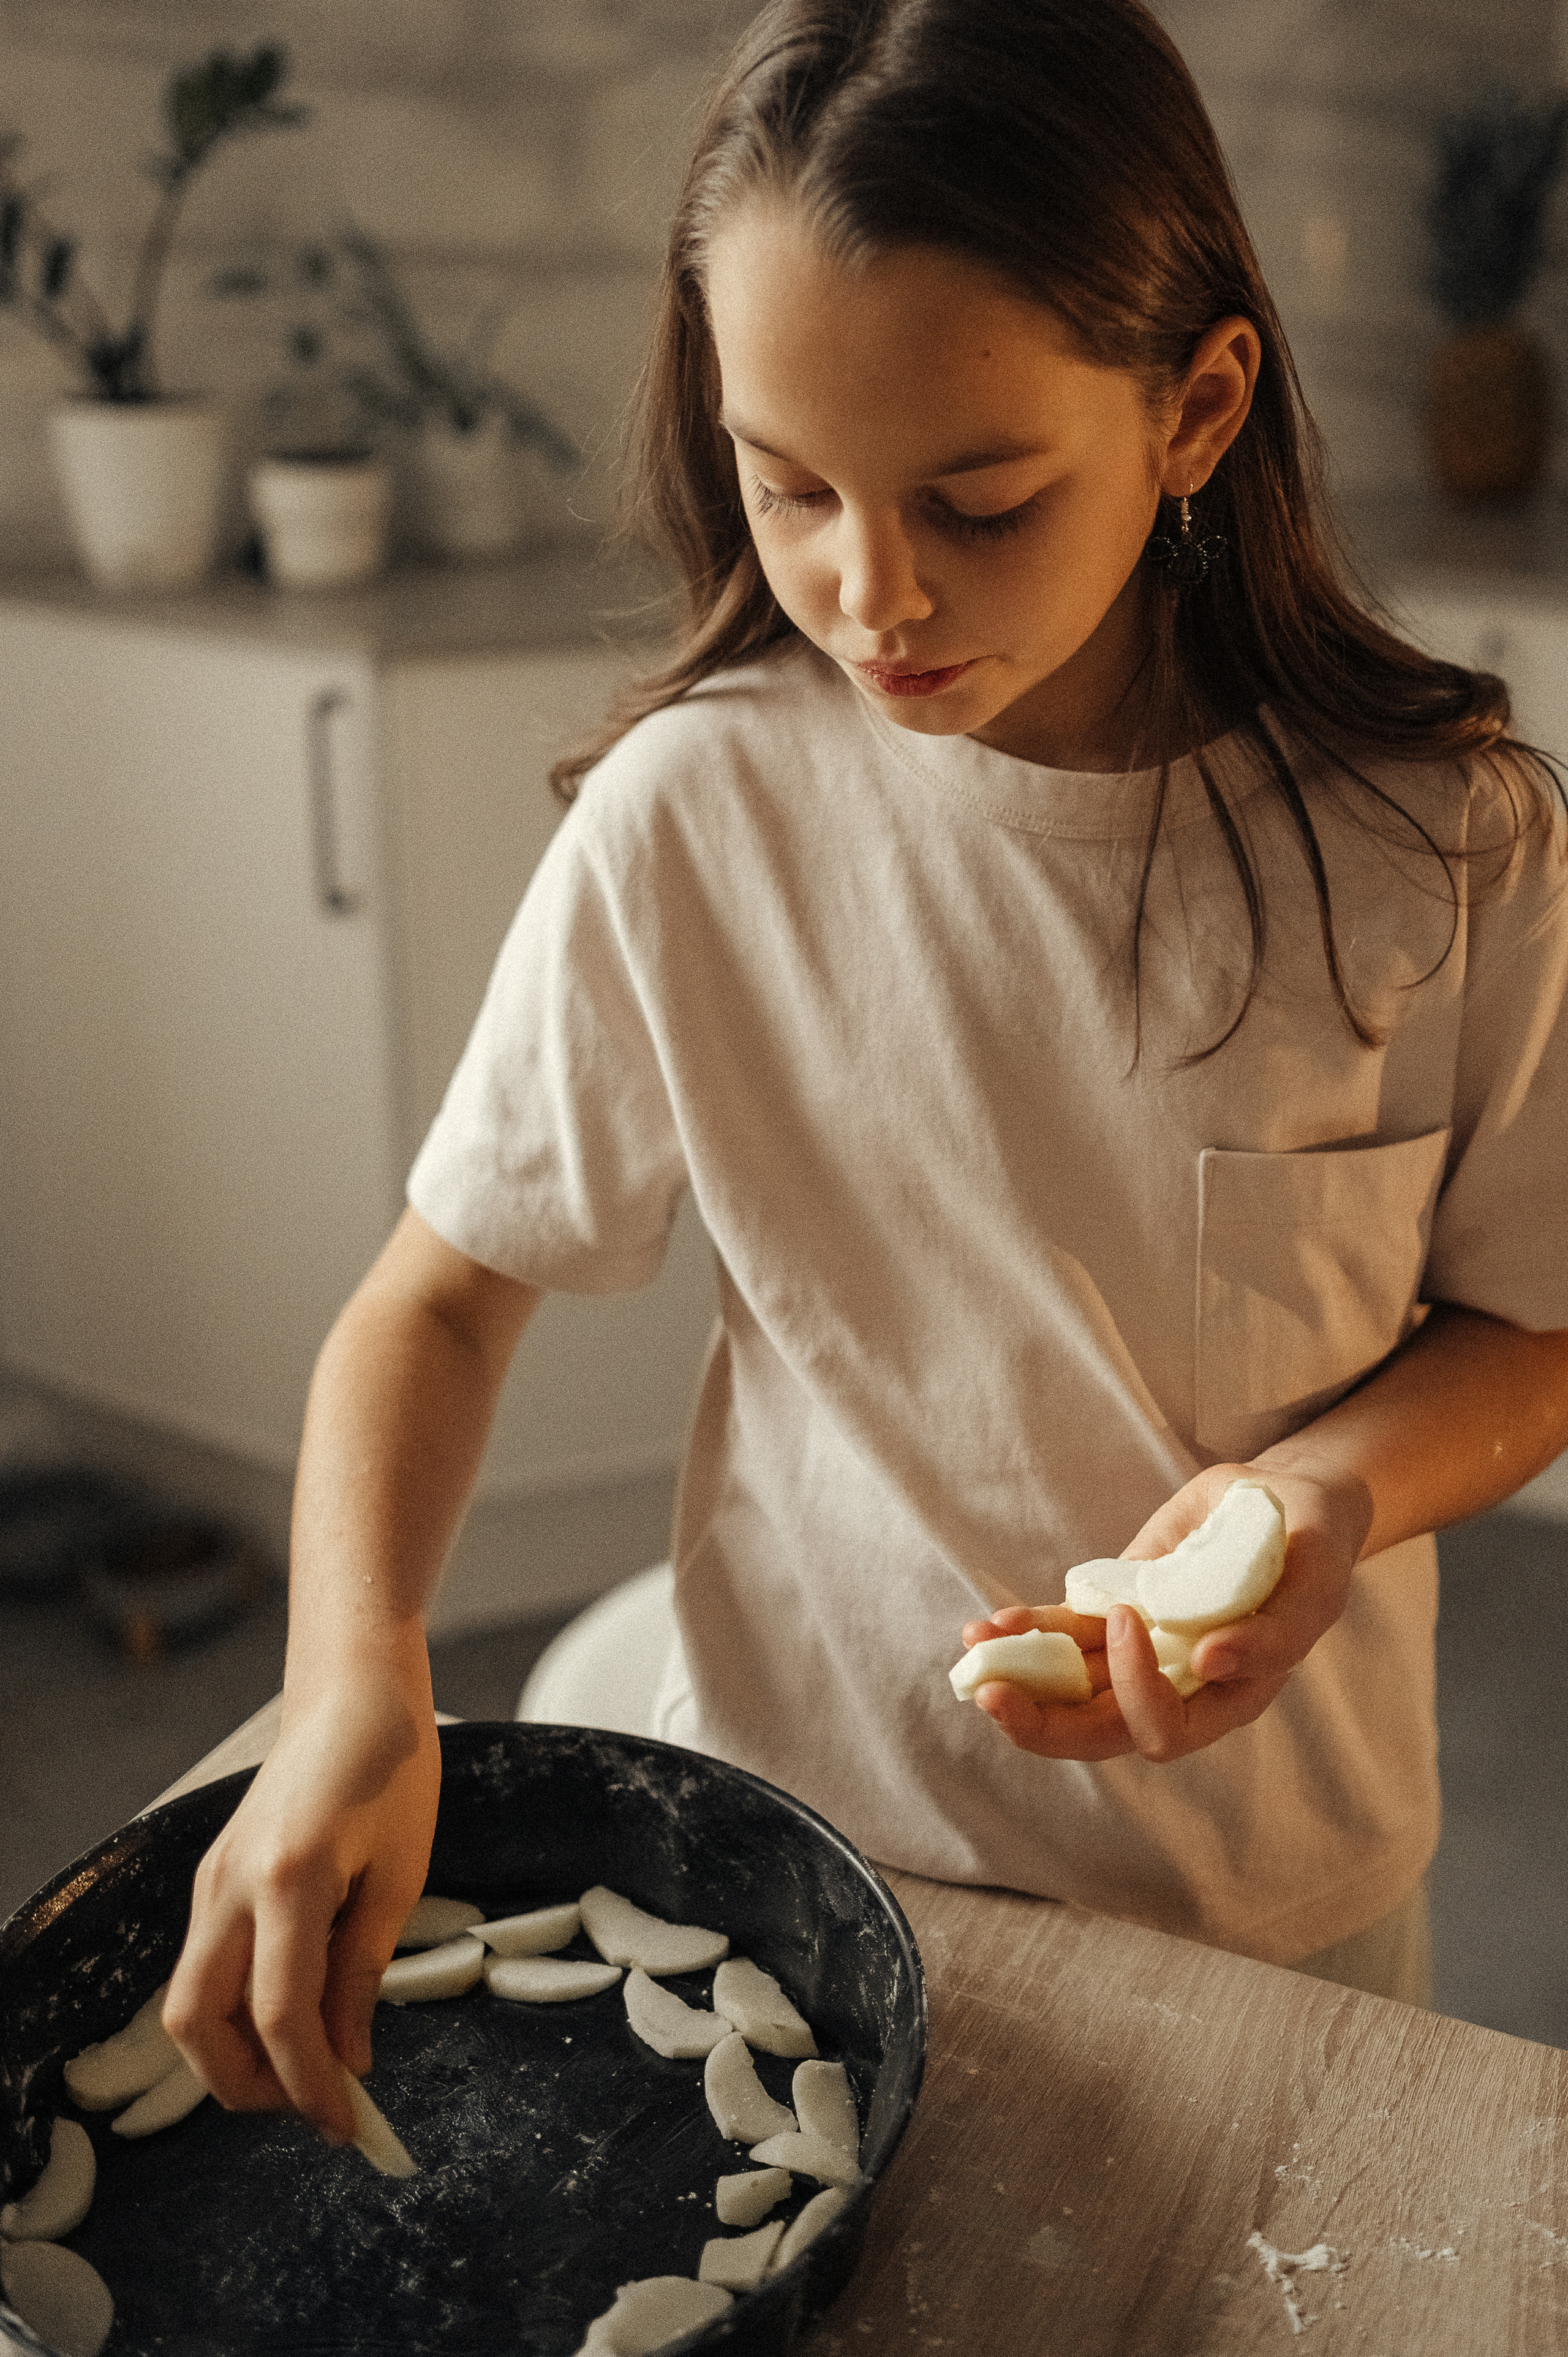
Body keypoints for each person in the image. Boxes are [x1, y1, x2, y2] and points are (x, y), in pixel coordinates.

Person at [166, 0, 1568, 2146]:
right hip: (804, 1863)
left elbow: (1537, 1329)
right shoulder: (692, 822)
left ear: (1196, 410)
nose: (870, 592)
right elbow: (435, 1300)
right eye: (787, 485)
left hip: (1274, 1895)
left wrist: (1320, 1491)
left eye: (980, 501)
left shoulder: (1442, 842)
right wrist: (354, 1669)